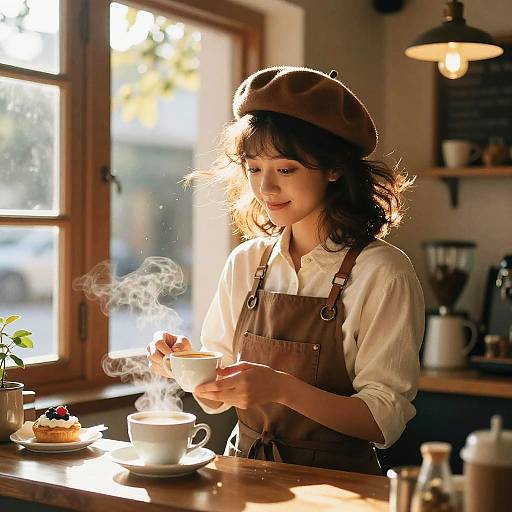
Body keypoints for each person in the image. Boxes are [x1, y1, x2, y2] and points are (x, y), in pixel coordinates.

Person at [147, 66, 425, 475]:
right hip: (242, 472)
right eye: (254, 168)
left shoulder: (384, 272)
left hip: (340, 486)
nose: (265, 189)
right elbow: (215, 396)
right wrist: (188, 364)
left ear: (333, 168)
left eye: (286, 169)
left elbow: (383, 420)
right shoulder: (246, 261)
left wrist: (281, 388)